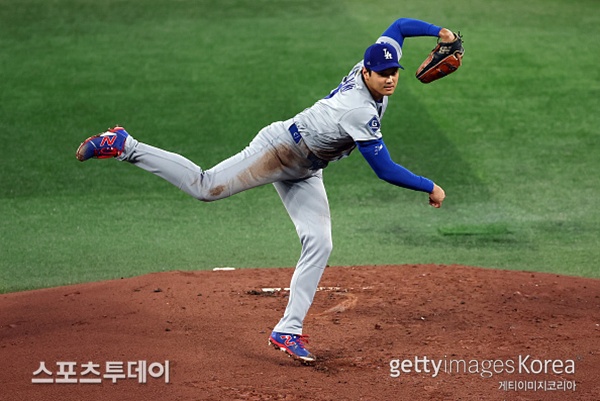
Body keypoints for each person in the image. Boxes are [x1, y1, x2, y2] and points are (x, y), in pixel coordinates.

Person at [76, 17, 451, 364]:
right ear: (366, 71)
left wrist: (440, 33)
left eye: (394, 72)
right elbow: (385, 170)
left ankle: (288, 330)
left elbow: (399, 27)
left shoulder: (373, 67)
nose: (390, 79)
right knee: (206, 187)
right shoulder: (358, 110)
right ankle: (125, 145)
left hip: (307, 168)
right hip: (279, 150)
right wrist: (430, 186)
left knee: (320, 242)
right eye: (383, 74)